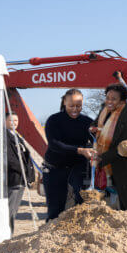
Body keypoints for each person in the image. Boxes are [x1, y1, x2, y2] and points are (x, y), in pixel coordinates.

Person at [43, 89, 96, 221]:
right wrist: (80, 150)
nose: (75, 109)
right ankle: (52, 231)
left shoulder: (87, 122)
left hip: (78, 166)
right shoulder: (54, 120)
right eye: (71, 106)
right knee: (55, 208)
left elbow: (100, 139)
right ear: (64, 103)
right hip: (55, 167)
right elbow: (55, 144)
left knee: (81, 197)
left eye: (78, 106)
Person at [4, 113, 35, 234]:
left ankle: (9, 232)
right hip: (13, 178)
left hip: (21, 180)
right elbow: (9, 159)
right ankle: (6, 234)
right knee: (9, 211)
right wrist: (22, 170)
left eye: (16, 120)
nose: (14, 123)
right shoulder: (4, 137)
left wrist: (29, 174)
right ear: (5, 121)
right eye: (11, 120)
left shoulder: (17, 136)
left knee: (14, 210)